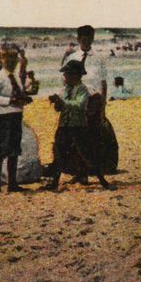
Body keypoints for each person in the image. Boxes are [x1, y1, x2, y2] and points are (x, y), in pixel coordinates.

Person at [45, 59, 115, 191]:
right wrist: (57, 103)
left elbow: (79, 105)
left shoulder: (82, 89)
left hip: (78, 126)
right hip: (64, 125)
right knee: (59, 153)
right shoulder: (66, 89)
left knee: (87, 154)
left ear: (76, 75)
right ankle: (54, 182)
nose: (65, 77)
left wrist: (62, 102)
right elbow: (59, 109)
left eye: (67, 74)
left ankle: (103, 181)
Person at [61, 25, 120, 175]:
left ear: (93, 39)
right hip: (77, 101)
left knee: (94, 136)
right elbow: (64, 80)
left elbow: (103, 83)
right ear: (78, 39)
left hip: (94, 102)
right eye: (83, 38)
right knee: (76, 136)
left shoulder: (99, 58)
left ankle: (95, 168)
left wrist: (103, 107)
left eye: (89, 38)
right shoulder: (72, 57)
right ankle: (78, 170)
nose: (86, 41)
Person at [0, 49, 33, 192]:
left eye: (14, 61)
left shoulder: (17, 77)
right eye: (8, 61)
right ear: (2, 61)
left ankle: (12, 184)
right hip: (2, 116)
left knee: (14, 150)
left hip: (16, 115)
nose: (12, 63)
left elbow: (19, 92)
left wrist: (24, 99)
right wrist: (10, 100)